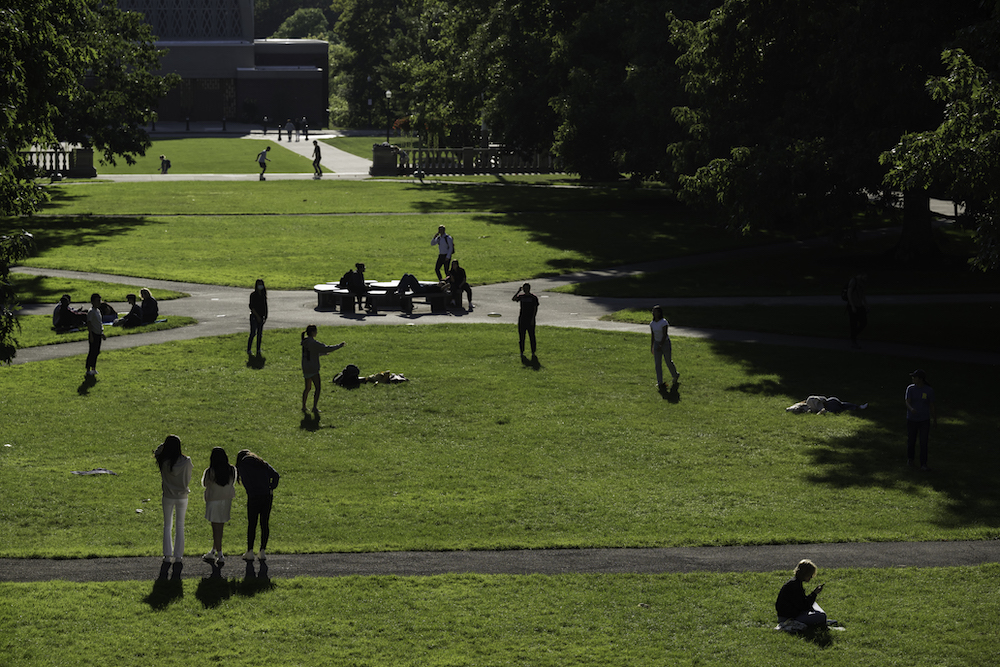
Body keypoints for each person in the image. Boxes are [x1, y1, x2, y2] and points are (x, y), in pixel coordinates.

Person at [153, 435, 193, 567]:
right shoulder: (186, 461)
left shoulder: (163, 461)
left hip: (168, 496)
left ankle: (167, 555)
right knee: (180, 526)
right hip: (182, 496)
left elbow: (157, 451)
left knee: (167, 525)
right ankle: (178, 556)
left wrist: (163, 446)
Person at [236, 449, 280, 562]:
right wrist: (270, 487)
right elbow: (276, 475)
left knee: (252, 523)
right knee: (264, 522)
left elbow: (246, 482)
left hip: (254, 496)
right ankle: (262, 551)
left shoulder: (243, 465)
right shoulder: (261, 462)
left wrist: (252, 491)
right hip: (267, 495)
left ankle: (250, 551)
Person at [202, 447, 237, 565]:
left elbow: (205, 484)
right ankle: (213, 551)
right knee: (220, 528)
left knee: (215, 528)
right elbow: (232, 482)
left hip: (213, 501)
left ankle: (220, 554)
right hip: (226, 501)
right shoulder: (231, 470)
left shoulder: (210, 471)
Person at [301, 324, 346, 412]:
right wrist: (339, 346)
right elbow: (327, 348)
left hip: (305, 367)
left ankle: (304, 406)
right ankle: (314, 407)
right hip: (313, 368)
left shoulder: (305, 342)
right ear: (313, 332)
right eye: (316, 331)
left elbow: (311, 353)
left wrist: (322, 354)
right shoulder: (313, 343)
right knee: (318, 388)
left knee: (307, 388)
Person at [775, 559, 828, 629]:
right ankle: (820, 620)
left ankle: (818, 620)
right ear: (805, 574)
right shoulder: (795, 586)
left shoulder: (795, 583)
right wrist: (814, 593)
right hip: (790, 617)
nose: (811, 577)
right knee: (822, 616)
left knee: (814, 604)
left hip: (791, 613)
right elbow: (804, 606)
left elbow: (802, 602)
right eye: (810, 575)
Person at [905, 369, 937, 470]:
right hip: (912, 419)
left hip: (924, 420)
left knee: (923, 442)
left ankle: (923, 463)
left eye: (915, 377)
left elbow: (931, 405)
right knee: (911, 440)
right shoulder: (910, 389)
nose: (913, 379)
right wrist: (911, 409)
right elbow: (907, 401)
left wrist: (934, 419)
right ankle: (910, 459)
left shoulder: (928, 390)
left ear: (920, 379)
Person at [650, 305, 680, 389]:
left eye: (655, 311)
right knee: (657, 363)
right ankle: (660, 382)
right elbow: (653, 335)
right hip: (656, 343)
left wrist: (660, 345)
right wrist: (652, 346)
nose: (654, 313)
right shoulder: (652, 324)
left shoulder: (663, 322)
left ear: (659, 313)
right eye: (653, 311)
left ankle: (675, 375)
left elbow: (664, 335)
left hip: (665, 343)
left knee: (668, 361)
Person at [512, 283, 539, 359]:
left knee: (532, 336)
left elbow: (535, 309)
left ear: (529, 289)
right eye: (524, 288)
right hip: (522, 318)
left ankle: (533, 352)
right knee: (521, 337)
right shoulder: (522, 297)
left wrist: (533, 319)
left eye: (527, 288)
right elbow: (513, 299)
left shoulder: (533, 297)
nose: (525, 290)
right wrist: (518, 291)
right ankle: (521, 351)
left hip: (530, 319)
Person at [85, 293, 106, 376]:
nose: (99, 302)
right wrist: (90, 335)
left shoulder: (98, 311)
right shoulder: (91, 312)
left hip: (98, 333)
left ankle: (93, 367)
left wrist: (101, 333)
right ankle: (88, 369)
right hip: (93, 334)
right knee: (92, 351)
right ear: (93, 302)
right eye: (97, 301)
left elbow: (99, 323)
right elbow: (89, 323)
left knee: (96, 351)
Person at [846, 274, 868, 349]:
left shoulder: (862, 282)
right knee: (853, 324)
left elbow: (862, 294)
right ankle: (853, 341)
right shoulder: (853, 281)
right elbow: (849, 293)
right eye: (865, 277)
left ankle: (853, 336)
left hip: (859, 305)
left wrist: (865, 304)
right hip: (853, 305)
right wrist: (852, 306)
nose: (866, 279)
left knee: (864, 322)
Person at [248, 278, 268, 356]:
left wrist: (265, 316)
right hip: (254, 316)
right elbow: (252, 307)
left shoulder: (263, 295)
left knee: (260, 334)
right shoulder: (253, 295)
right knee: (253, 333)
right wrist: (257, 316)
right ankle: (249, 349)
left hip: (261, 316)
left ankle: (258, 349)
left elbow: (265, 306)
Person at [786, 396, 868, 414]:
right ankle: (857, 407)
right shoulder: (808, 403)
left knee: (842, 406)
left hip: (829, 404)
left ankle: (857, 407)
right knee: (842, 406)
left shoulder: (809, 401)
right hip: (829, 405)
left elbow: (822, 400)